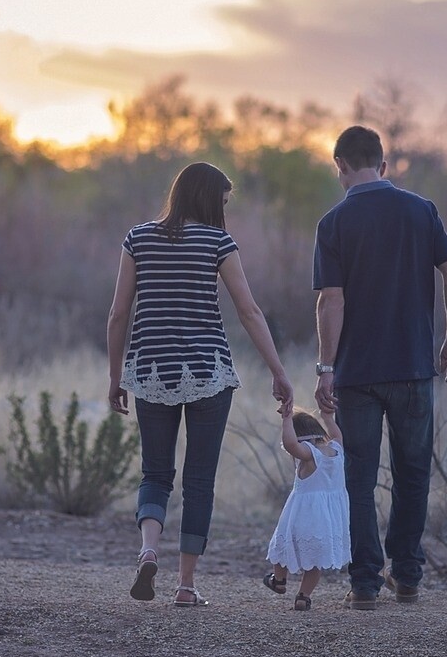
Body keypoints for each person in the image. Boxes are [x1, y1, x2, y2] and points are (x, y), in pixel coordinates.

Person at [107, 161, 293, 608]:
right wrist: (278, 371)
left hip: (151, 371)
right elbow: (249, 312)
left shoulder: (138, 239)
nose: (224, 211)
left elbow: (117, 314)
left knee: (155, 473)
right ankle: (186, 586)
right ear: (210, 199)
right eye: (223, 202)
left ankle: (149, 549)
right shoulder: (218, 242)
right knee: (199, 481)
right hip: (209, 372)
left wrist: (116, 377)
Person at [312, 125, 447, 610]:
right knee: (413, 472)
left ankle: (363, 584)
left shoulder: (333, 222)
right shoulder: (421, 211)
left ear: (339, 166)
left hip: (357, 374)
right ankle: (408, 575)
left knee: (358, 477)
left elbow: (330, 302)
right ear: (383, 164)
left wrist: (325, 367)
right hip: (414, 367)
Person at [263, 408, 350, 611]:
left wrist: (286, 420)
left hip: (303, 515)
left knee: (282, 546)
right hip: (328, 519)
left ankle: (279, 580)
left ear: (301, 438)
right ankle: (303, 596)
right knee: (315, 560)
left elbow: (290, 444)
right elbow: (337, 434)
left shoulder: (309, 455)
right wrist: (328, 417)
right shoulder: (337, 449)